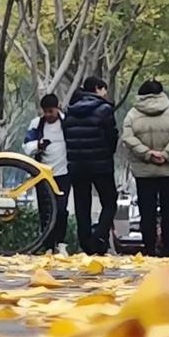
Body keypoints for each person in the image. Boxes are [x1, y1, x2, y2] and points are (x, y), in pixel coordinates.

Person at [121, 78, 169, 256]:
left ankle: (149, 247)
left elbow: (128, 138)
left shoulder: (132, 114)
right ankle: (167, 247)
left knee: (147, 211)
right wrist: (166, 154)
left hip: (144, 171)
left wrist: (147, 153)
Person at [63, 74, 118, 253]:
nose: (104, 93)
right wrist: (108, 153)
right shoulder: (104, 110)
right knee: (109, 202)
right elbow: (112, 137)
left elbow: (67, 138)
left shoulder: (70, 111)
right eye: (103, 89)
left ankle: (85, 242)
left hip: (77, 165)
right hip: (101, 164)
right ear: (97, 89)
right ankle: (99, 236)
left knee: (81, 204)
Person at [25, 92, 69, 251]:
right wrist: (38, 145)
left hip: (63, 173)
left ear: (58, 108)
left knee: (61, 209)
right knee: (45, 210)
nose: (48, 115)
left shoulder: (67, 123)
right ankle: (47, 244)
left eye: (51, 111)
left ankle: (61, 242)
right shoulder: (36, 124)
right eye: (45, 111)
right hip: (43, 175)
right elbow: (27, 146)